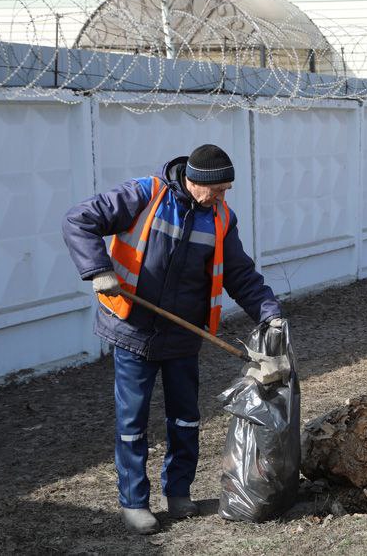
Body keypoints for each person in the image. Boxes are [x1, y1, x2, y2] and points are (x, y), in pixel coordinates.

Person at [62, 144, 284, 535]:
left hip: (183, 333)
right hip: (132, 329)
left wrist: (270, 313)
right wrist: (97, 269)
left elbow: (240, 274)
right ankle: (134, 502)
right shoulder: (144, 195)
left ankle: (179, 492)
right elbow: (79, 220)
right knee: (132, 422)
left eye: (227, 190)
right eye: (218, 190)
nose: (223, 197)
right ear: (195, 181)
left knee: (186, 418)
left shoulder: (221, 219)